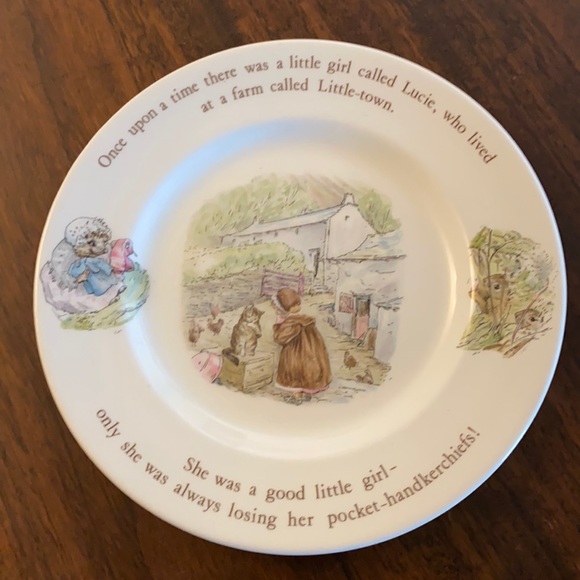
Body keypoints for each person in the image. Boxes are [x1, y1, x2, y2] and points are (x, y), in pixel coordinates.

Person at [272, 287, 332, 403]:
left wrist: (278, 325)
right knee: (307, 372)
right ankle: (307, 394)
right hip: (309, 353)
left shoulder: (291, 322)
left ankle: (297, 397)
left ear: (283, 308)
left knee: (295, 373)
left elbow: (280, 338)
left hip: (294, 354)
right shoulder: (304, 320)